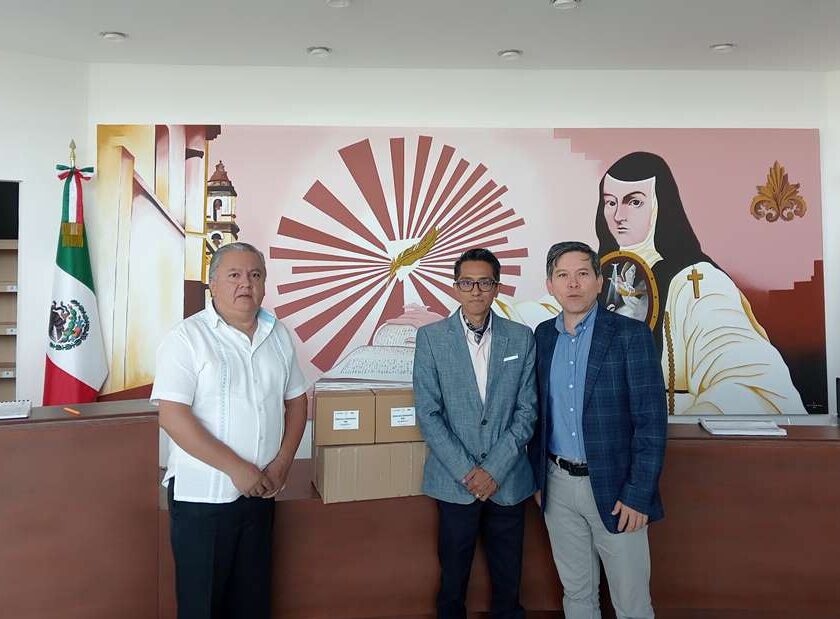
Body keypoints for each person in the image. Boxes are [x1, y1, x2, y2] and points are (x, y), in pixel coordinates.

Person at [151, 242, 308, 619]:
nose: (245, 284)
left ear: (264, 284)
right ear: (213, 283)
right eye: (234, 275)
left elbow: (297, 401)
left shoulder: (278, 334)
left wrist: (283, 463)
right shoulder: (187, 338)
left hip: (262, 493)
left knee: (252, 602)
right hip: (203, 499)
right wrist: (236, 468)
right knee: (202, 605)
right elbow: (172, 416)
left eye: (255, 275)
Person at [595, 151, 806, 415]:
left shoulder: (698, 282)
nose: (618, 216)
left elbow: (751, 383)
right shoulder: (597, 277)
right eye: (610, 203)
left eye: (634, 202)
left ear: (661, 206)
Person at [529, 241, 667, 619]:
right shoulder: (542, 337)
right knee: (576, 595)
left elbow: (651, 422)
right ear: (550, 285)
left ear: (599, 281)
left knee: (632, 604)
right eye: (563, 275)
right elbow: (538, 415)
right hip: (557, 486)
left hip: (617, 490)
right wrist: (539, 480)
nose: (573, 284)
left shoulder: (630, 335)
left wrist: (639, 494)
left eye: (582, 274)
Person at [413, 247, 537, 619]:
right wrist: (469, 473)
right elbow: (429, 414)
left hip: (507, 480)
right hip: (455, 482)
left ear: (497, 287)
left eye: (485, 282)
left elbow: (527, 412)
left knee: (508, 582)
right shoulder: (431, 338)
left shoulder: (521, 338)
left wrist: (493, 469)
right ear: (456, 287)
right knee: (452, 581)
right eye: (467, 283)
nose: (476, 291)